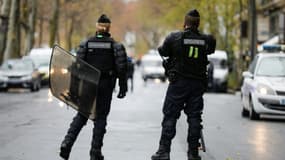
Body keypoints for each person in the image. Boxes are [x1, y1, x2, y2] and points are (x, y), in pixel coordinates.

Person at [59, 14, 128, 160]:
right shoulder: (116, 46)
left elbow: (76, 68)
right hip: (105, 85)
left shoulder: (85, 44)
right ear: (109, 28)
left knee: (82, 115)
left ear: (97, 27)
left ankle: (67, 143)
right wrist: (123, 88)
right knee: (101, 118)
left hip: (88, 85)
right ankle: (95, 152)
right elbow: (122, 69)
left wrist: (73, 90)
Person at [151, 9, 216, 160]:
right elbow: (211, 48)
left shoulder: (175, 37)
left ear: (185, 22)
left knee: (170, 116)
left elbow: (163, 50)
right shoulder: (207, 40)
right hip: (197, 85)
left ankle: (163, 151)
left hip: (178, 84)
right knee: (194, 118)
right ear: (198, 23)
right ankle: (193, 153)